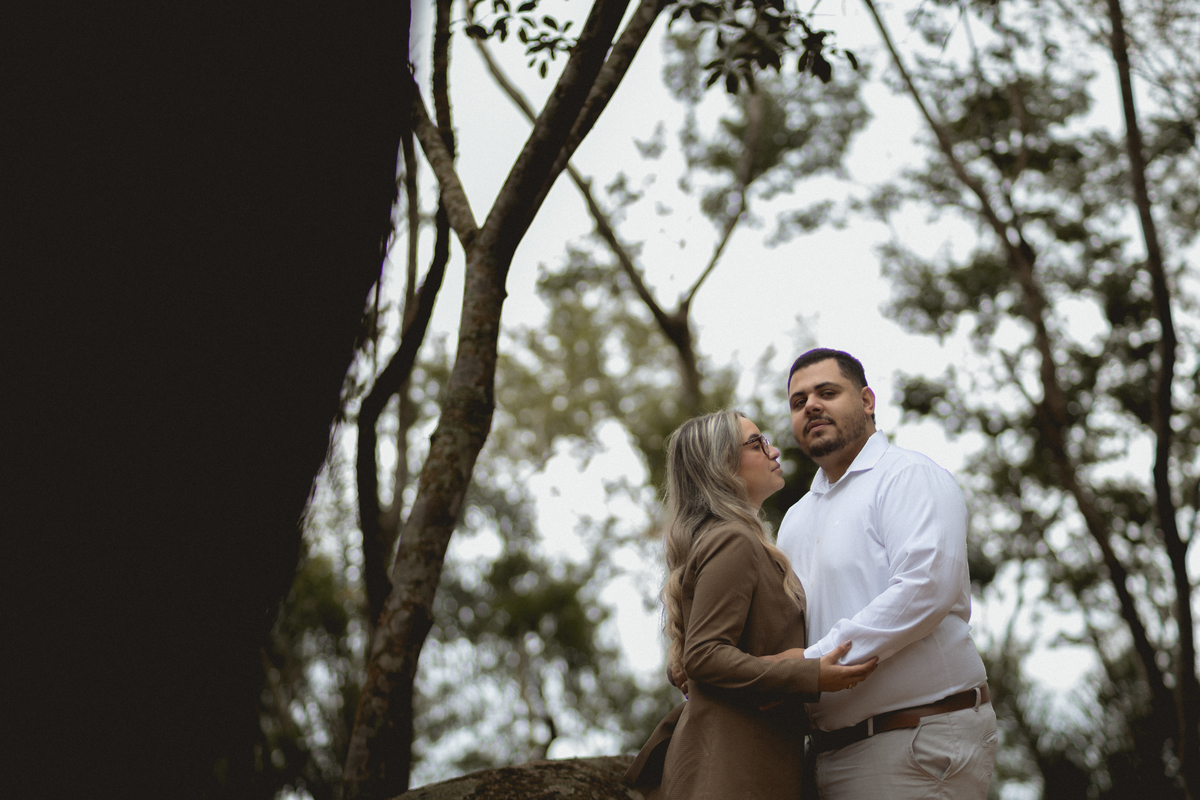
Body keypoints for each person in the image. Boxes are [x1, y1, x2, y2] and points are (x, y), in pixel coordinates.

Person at [777, 348, 997, 799]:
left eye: (827, 392)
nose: (811, 406)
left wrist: (811, 666)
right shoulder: (794, 520)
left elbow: (926, 588)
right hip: (825, 756)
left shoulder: (907, 476)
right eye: (799, 402)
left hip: (916, 741)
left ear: (867, 401)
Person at [625, 410, 877, 800]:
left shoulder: (733, 540)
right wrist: (808, 673)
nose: (774, 450)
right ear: (721, 464)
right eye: (757, 443)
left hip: (750, 761)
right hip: (729, 769)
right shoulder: (732, 540)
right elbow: (704, 655)